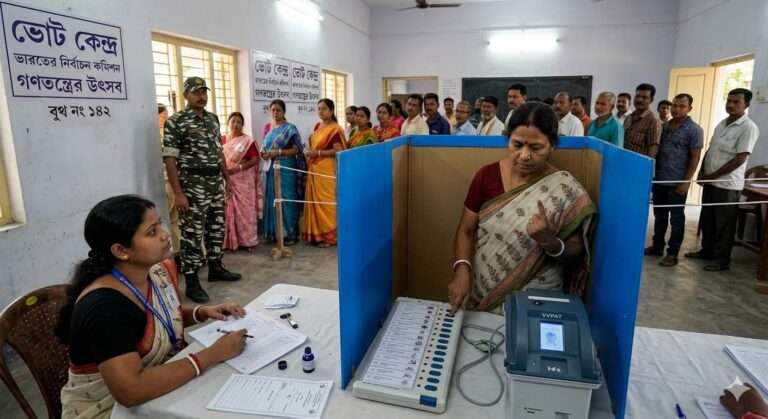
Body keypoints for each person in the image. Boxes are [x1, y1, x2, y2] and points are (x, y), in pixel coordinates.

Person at [56, 195, 248, 419]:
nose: (165, 235)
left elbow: (154, 318)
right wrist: (213, 354)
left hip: (157, 389)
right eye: (152, 232)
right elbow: (131, 391)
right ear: (121, 250)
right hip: (110, 411)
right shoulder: (105, 308)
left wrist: (201, 313)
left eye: (160, 225)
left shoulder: (156, 272)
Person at [447, 102, 596, 312]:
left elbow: (577, 252)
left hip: (540, 299)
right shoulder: (486, 176)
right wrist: (462, 269)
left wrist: (550, 242)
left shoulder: (564, 188)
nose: (524, 156)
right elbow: (466, 230)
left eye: (536, 148)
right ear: (508, 139)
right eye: (517, 145)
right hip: (486, 290)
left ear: (552, 145)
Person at [162, 77, 241, 303]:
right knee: (192, 234)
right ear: (186, 94)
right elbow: (170, 158)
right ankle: (192, 280)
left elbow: (218, 153)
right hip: (192, 184)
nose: (202, 96)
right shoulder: (176, 122)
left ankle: (216, 267)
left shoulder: (213, 119)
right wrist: (178, 193)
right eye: (196, 92)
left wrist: (227, 179)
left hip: (215, 183)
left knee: (216, 227)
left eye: (204, 91)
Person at [686, 88, 760, 271]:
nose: (731, 104)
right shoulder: (722, 124)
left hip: (727, 185)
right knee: (708, 219)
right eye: (729, 100)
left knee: (724, 224)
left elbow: (740, 158)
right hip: (711, 181)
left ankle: (721, 259)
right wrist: (702, 172)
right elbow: (710, 150)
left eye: (737, 102)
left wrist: (713, 175)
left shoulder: (748, 128)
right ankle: (707, 251)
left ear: (747, 105)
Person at [645, 94, 703, 267]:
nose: (677, 109)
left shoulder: (694, 130)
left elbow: (695, 158)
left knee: (676, 219)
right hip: (660, 180)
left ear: (689, 108)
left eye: (682, 106)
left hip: (678, 183)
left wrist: (686, 182)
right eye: (675, 106)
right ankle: (657, 247)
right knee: (659, 217)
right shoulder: (664, 126)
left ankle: (672, 253)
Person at [261, 99, 306, 246]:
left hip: (286, 167)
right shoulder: (268, 128)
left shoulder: (290, 128)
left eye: (278, 110)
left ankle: (290, 234)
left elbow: (297, 149)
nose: (275, 113)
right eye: (273, 110)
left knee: (287, 199)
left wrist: (278, 152)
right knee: (272, 198)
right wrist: (264, 153)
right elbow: (264, 146)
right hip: (271, 168)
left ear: (284, 112)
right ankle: (274, 233)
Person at [303, 98, 347, 247]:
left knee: (327, 202)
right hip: (314, 167)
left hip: (327, 169)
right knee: (315, 202)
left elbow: (339, 150)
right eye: (319, 109)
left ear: (331, 111)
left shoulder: (335, 129)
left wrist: (318, 153)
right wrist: (311, 153)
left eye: (324, 109)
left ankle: (330, 237)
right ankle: (318, 235)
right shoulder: (318, 126)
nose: (321, 111)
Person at [221, 112, 260, 251]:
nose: (236, 124)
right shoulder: (222, 140)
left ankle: (248, 241)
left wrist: (238, 168)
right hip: (226, 179)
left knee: (245, 211)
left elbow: (255, 160)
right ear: (228, 123)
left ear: (242, 125)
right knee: (228, 211)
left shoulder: (247, 141)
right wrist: (226, 172)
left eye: (239, 122)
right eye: (233, 121)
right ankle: (231, 241)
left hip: (243, 182)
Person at [158, 104, 180, 256]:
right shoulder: (161, 135)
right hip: (166, 181)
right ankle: (178, 252)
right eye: (163, 115)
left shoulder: (166, 134)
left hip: (169, 180)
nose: (166, 118)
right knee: (173, 219)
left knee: (173, 219)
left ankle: (178, 252)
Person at [624, 83, 662, 158]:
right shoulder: (629, 117)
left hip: (638, 165)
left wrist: (645, 168)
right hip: (624, 160)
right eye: (637, 96)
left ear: (651, 100)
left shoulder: (654, 121)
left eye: (644, 97)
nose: (639, 100)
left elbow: (653, 149)